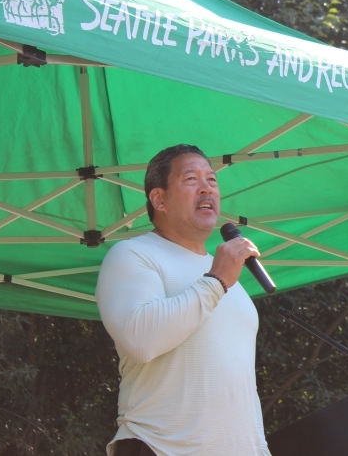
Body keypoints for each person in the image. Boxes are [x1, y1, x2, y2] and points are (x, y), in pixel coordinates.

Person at [96, 144, 271, 456]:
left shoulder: (229, 280)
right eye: (191, 179)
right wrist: (216, 282)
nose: (206, 188)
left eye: (212, 181)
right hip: (161, 448)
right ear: (159, 199)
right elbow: (140, 339)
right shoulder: (133, 254)